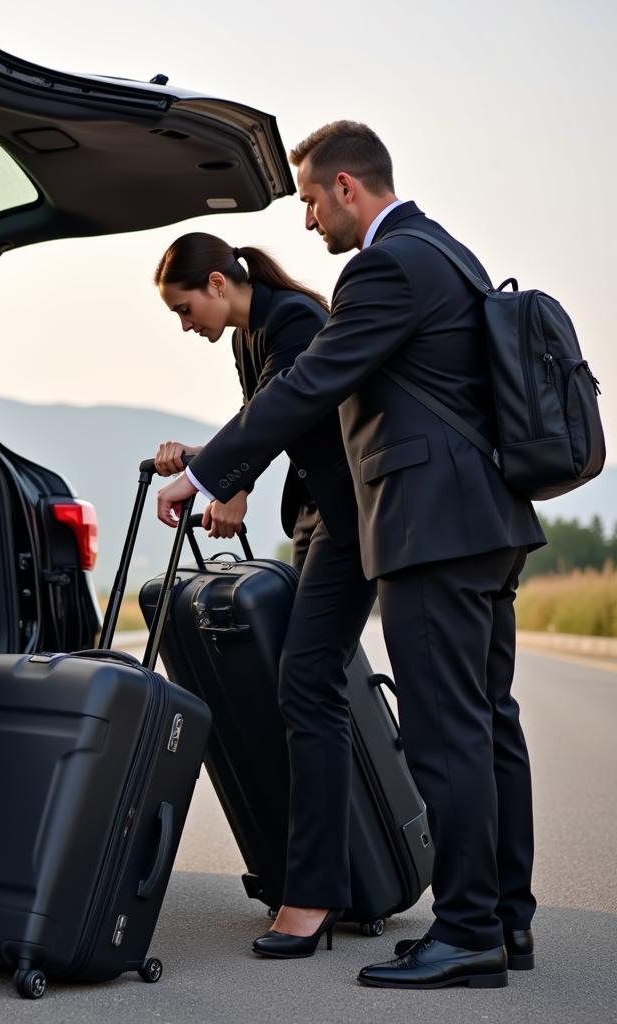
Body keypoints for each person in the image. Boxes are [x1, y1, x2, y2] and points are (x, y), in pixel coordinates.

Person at [156, 121, 545, 990]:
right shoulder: (450, 253)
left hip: (428, 527)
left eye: (306, 200)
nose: (304, 223)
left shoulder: (386, 265)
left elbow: (312, 384)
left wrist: (211, 472)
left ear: (343, 186)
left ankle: (469, 931)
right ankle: (505, 923)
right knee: (489, 727)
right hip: (487, 521)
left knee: (449, 733)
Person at [152, 234, 375, 959]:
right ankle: (320, 881)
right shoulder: (251, 335)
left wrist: (210, 477)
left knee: (308, 683)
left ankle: (312, 897)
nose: (186, 326)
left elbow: (283, 405)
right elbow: (264, 419)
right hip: (314, 515)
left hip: (350, 519)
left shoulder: (293, 322)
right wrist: (217, 472)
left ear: (218, 283)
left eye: (186, 309)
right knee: (303, 684)